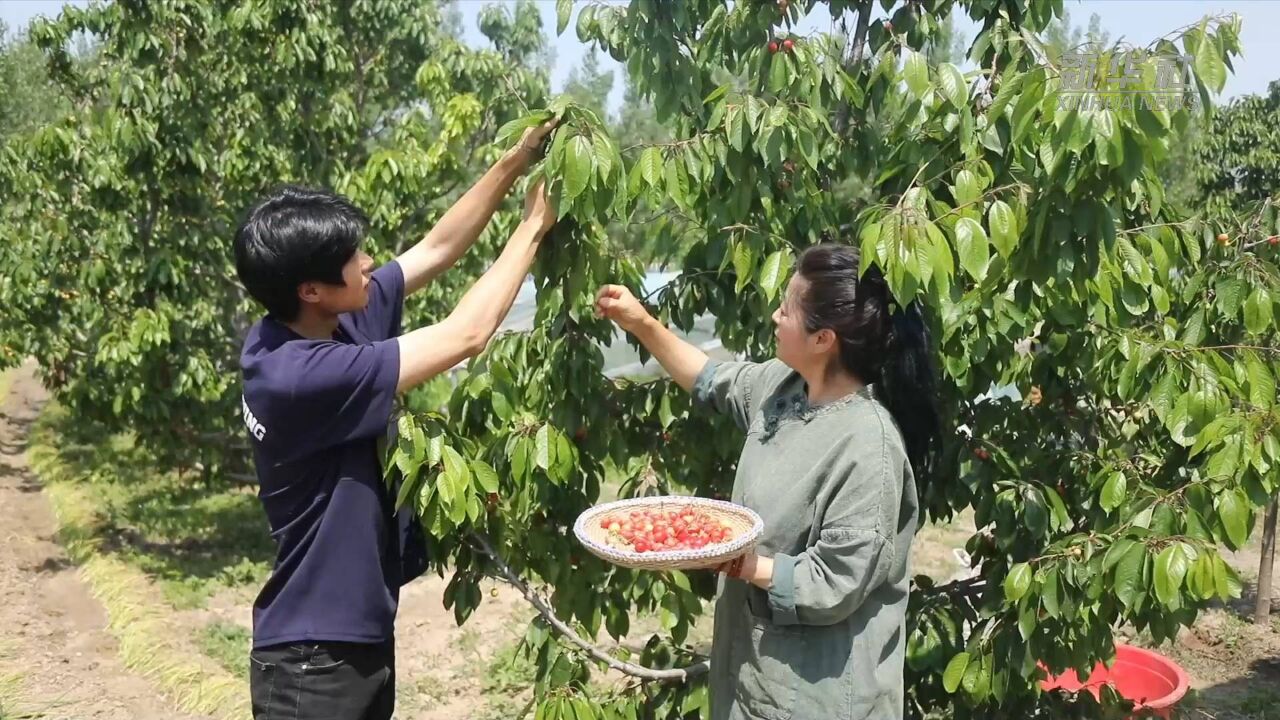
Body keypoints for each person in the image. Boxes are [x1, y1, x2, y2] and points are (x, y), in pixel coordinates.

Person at [233, 121, 557, 720]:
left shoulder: (313, 322)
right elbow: (467, 334)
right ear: (312, 288)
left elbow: (435, 249)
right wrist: (535, 226)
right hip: (312, 660)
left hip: (351, 638)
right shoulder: (299, 375)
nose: (369, 263)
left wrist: (514, 163)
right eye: (354, 260)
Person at [594, 243, 942, 720]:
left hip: (819, 697)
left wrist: (734, 561)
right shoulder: (785, 388)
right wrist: (642, 324)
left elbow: (834, 582)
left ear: (823, 339)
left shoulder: (868, 446)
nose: (776, 316)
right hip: (754, 680)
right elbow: (711, 379)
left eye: (788, 307)